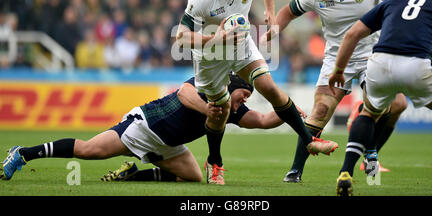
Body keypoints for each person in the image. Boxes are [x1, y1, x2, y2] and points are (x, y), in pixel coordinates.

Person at [175, 0, 338, 184]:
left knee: (269, 86)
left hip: (241, 45)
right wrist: (216, 38)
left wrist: (270, 11)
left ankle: (309, 140)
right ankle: (215, 162)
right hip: (211, 59)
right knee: (220, 112)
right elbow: (181, 37)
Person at [261, 0, 406, 183]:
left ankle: (370, 152)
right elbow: (288, 11)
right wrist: (274, 29)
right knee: (319, 111)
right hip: (336, 59)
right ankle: (295, 171)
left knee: (380, 107)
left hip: (372, 55)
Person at [0, 74, 306, 183]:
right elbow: (184, 94)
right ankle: (23, 153)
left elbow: (265, 121)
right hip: (145, 126)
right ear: (232, 87)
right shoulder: (209, 87)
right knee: (89, 150)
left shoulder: (233, 110)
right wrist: (211, 110)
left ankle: (133, 173)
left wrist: (291, 113)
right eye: (244, 95)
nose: (245, 101)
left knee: (194, 177)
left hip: (169, 146)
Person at [330, 0, 432, 196]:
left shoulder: (395, 0)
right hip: (416, 65)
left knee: (369, 112)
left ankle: (346, 171)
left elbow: (352, 34)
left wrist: (338, 70)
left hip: (379, 64)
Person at [348, 0, 412, 173]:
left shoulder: (412, 0)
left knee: (397, 106)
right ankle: (369, 156)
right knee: (397, 104)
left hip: (398, 58)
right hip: (374, 57)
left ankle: (370, 155)